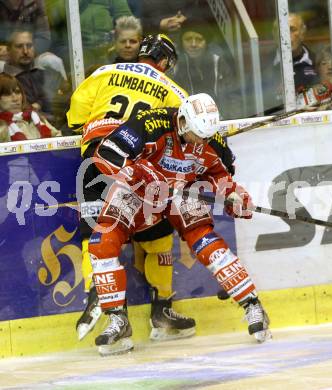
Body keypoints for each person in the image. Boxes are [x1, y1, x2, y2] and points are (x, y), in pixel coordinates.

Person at [85, 92, 271, 356]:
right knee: (102, 243)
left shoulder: (211, 140)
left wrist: (232, 194)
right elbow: (105, 155)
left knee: (205, 241)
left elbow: (219, 174)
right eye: (196, 134)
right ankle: (118, 320)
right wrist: (138, 173)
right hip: (136, 189)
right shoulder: (150, 123)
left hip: (180, 192)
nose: (200, 141)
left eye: (205, 136)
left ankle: (253, 305)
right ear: (183, 121)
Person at [67, 34, 196, 342]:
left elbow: (75, 118)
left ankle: (102, 296)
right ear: (164, 61)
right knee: (158, 239)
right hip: (137, 168)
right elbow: (185, 135)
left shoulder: (103, 73)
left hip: (95, 161)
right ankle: (162, 310)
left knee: (97, 235)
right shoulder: (174, 90)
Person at [173, 19, 242, 119]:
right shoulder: (175, 66)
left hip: (220, 121)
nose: (193, 44)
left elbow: (234, 97)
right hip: (188, 125)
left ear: (206, 42)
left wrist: (233, 125)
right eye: (188, 39)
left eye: (199, 39)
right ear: (181, 42)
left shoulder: (218, 61)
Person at [263, 13, 320, 114]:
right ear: (274, 35)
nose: (285, 34)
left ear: (302, 34)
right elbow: (256, 103)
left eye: (292, 29)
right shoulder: (262, 65)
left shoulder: (318, 61)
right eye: (280, 30)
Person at [2, 29, 51, 116]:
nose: (25, 51)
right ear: (8, 50)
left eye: (29, 45)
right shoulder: (4, 81)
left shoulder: (41, 73)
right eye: (19, 46)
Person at [0, 73, 60, 142]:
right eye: (7, 94)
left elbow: (58, 138)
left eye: (17, 92)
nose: (15, 99)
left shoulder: (34, 116)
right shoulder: (2, 127)